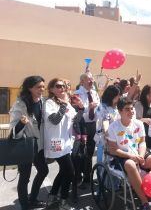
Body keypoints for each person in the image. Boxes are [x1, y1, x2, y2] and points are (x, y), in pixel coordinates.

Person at [107, 99, 151, 210]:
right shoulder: (113, 127)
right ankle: (144, 202)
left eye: (132, 108)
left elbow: (142, 142)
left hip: (138, 153)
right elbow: (113, 150)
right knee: (130, 164)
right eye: (127, 109)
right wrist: (131, 156)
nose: (131, 111)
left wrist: (141, 155)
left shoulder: (138, 123)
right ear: (120, 111)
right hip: (123, 156)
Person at [9, 76, 49, 210]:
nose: (42, 89)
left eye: (43, 86)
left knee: (43, 170)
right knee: (25, 177)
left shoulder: (43, 102)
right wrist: (21, 123)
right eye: (38, 87)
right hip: (25, 145)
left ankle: (33, 199)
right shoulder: (20, 104)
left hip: (39, 144)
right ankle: (25, 205)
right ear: (29, 88)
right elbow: (14, 130)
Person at [44, 78, 84, 210]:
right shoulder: (49, 103)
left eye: (63, 86)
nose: (62, 88)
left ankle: (52, 196)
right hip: (56, 143)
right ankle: (63, 201)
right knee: (70, 172)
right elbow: (54, 120)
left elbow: (75, 119)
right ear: (51, 89)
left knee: (63, 171)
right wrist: (64, 104)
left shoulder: (65, 103)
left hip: (66, 143)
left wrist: (81, 109)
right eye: (58, 86)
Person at [74, 72, 100, 185]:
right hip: (82, 126)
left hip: (93, 125)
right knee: (80, 153)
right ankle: (78, 176)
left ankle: (87, 177)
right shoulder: (77, 94)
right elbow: (76, 113)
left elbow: (99, 108)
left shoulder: (94, 93)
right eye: (89, 79)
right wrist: (87, 108)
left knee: (89, 152)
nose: (91, 81)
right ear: (82, 81)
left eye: (92, 79)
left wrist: (96, 108)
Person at [94, 85, 121, 163]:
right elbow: (105, 122)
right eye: (117, 95)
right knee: (103, 161)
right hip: (105, 139)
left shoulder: (116, 107)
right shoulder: (102, 107)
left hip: (116, 137)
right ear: (112, 96)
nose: (119, 97)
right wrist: (108, 135)